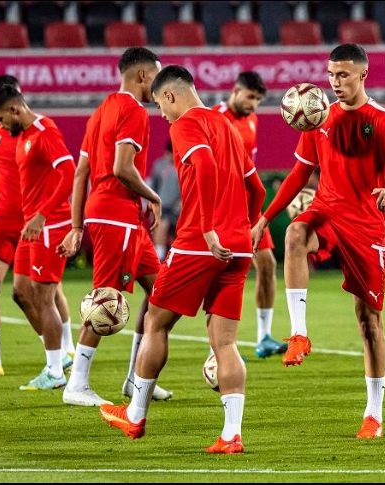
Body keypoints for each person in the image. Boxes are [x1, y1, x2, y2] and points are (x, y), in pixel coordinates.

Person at [251, 44, 385, 439]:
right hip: (326, 211)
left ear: (363, 75)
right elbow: (298, 175)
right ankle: (299, 333)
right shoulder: (318, 119)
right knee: (296, 233)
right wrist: (263, 219)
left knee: (369, 323)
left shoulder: (382, 120)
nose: (334, 82)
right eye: (330, 75)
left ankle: (374, 413)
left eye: (343, 75)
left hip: (365, 226)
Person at [99, 66, 266, 454]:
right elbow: (255, 187)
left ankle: (135, 416)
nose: (161, 114)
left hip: (199, 243)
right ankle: (231, 435)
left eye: (159, 105)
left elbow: (204, 166)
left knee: (155, 320)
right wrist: (249, 229)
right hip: (238, 246)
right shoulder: (228, 126)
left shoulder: (186, 125)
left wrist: (208, 228)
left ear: (171, 96)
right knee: (224, 343)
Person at [57, 47, 172, 406]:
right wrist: (154, 197)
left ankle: (136, 379)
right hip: (115, 216)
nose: (158, 85)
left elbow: (81, 174)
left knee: (164, 294)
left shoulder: (103, 110)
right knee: (105, 299)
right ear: (141, 76)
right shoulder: (133, 111)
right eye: (156, 76)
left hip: (118, 217)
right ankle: (76, 384)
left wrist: (77, 226)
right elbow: (123, 169)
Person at [0, 75, 76, 377]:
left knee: (48, 293)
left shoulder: (38, 131)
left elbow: (67, 172)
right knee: (3, 288)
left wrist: (43, 214)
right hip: (7, 219)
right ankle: (8, 359)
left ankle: (64, 354)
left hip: (41, 222)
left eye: (0, 116)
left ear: (14, 105)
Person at [213, 71, 287, 358]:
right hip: (224, 208)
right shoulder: (215, 118)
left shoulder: (252, 121)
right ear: (235, 90)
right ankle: (217, 344)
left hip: (249, 208)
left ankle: (264, 336)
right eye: (250, 97)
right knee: (223, 272)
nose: (254, 104)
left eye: (258, 99)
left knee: (267, 264)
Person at [147, 140, 181, 261]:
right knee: (161, 223)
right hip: (162, 206)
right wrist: (151, 205)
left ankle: (174, 258)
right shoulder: (159, 165)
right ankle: (159, 256)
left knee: (174, 235)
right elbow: (152, 187)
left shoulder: (184, 165)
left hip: (179, 208)